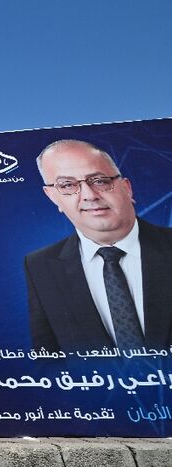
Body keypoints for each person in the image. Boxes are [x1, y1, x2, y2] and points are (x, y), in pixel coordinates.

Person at [25, 139, 172, 352]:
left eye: (100, 180)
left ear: (127, 188)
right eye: (67, 185)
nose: (89, 195)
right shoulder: (40, 266)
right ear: (53, 197)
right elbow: (49, 360)